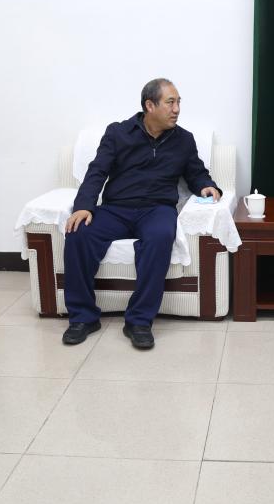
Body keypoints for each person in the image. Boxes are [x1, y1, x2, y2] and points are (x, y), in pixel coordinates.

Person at [62, 78, 221, 350]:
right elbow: (97, 170)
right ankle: (82, 318)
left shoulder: (184, 139)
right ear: (150, 105)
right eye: (170, 102)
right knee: (78, 233)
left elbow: (196, 172)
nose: (177, 109)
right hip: (116, 209)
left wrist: (207, 186)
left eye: (178, 102)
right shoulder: (118, 133)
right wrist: (83, 206)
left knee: (160, 236)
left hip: (157, 210)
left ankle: (139, 321)